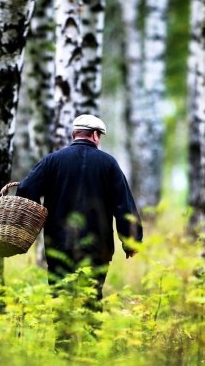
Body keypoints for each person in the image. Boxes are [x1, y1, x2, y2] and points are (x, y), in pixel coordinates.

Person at [16, 114, 143, 300]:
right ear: (94, 135)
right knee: (91, 299)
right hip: (97, 248)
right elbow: (124, 206)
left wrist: (31, 222)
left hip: (58, 245)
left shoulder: (52, 161)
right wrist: (131, 241)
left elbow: (26, 189)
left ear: (74, 135)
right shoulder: (109, 164)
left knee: (60, 298)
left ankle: (62, 330)